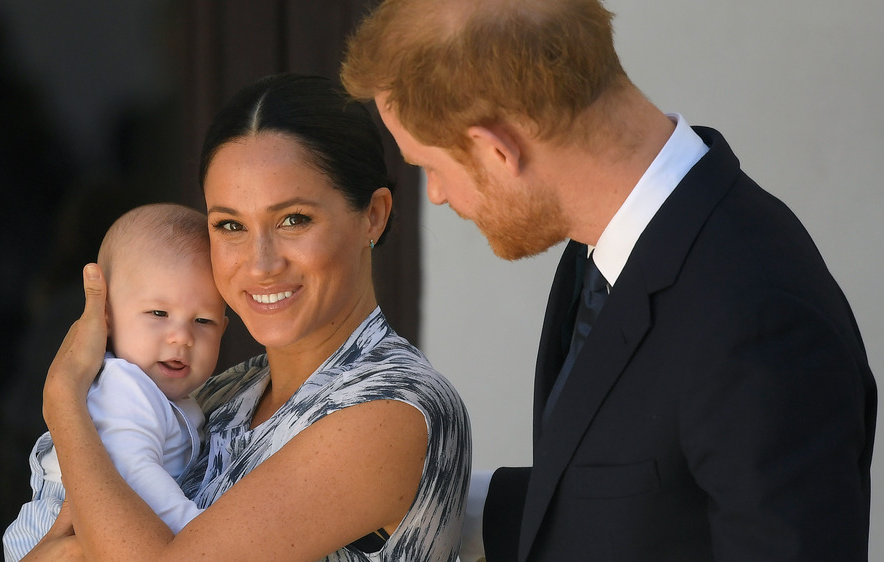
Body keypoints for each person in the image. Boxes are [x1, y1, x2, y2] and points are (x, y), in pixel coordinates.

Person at [341, 1, 876, 561]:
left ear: (498, 150)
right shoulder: (610, 246)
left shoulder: (758, 318)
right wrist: (422, 499)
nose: (437, 194)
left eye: (429, 166)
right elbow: (642, 501)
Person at [24, 73, 471, 561]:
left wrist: (64, 400)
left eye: (294, 220)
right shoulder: (220, 393)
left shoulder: (392, 408)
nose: (260, 264)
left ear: (374, 216)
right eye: (230, 225)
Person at [3, 203, 229, 560]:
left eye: (203, 321)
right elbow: (134, 473)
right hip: (60, 533)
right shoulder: (124, 387)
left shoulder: (172, 395)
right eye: (159, 313)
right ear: (105, 316)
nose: (182, 337)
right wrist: (195, 533)